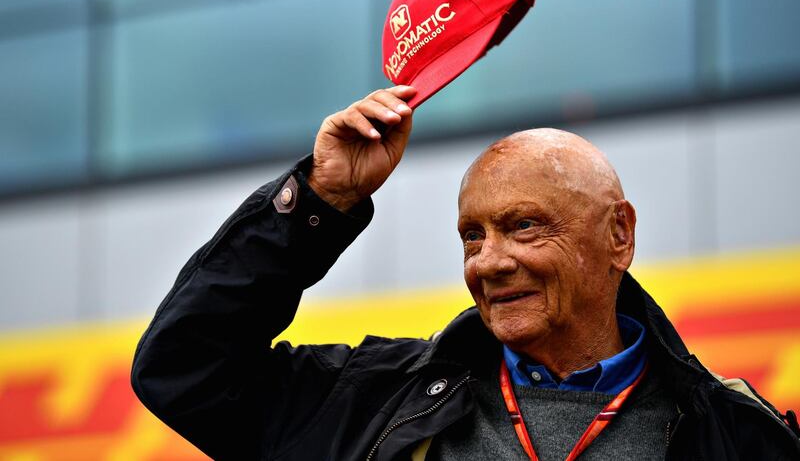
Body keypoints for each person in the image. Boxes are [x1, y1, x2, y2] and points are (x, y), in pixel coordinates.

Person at [131, 86, 800, 460]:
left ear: (617, 234)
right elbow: (186, 370)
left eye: (524, 226)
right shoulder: (373, 402)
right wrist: (319, 199)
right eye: (471, 236)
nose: (490, 261)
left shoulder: (741, 437)